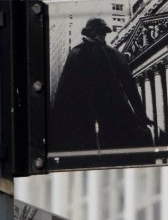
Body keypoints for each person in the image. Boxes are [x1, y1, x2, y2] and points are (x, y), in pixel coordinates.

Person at [50, 18, 154, 164]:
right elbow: (64, 91)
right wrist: (59, 123)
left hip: (112, 112)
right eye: (98, 32)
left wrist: (141, 115)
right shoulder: (76, 53)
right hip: (84, 115)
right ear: (90, 33)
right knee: (87, 154)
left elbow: (130, 88)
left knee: (121, 150)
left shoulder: (115, 55)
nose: (101, 36)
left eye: (104, 33)